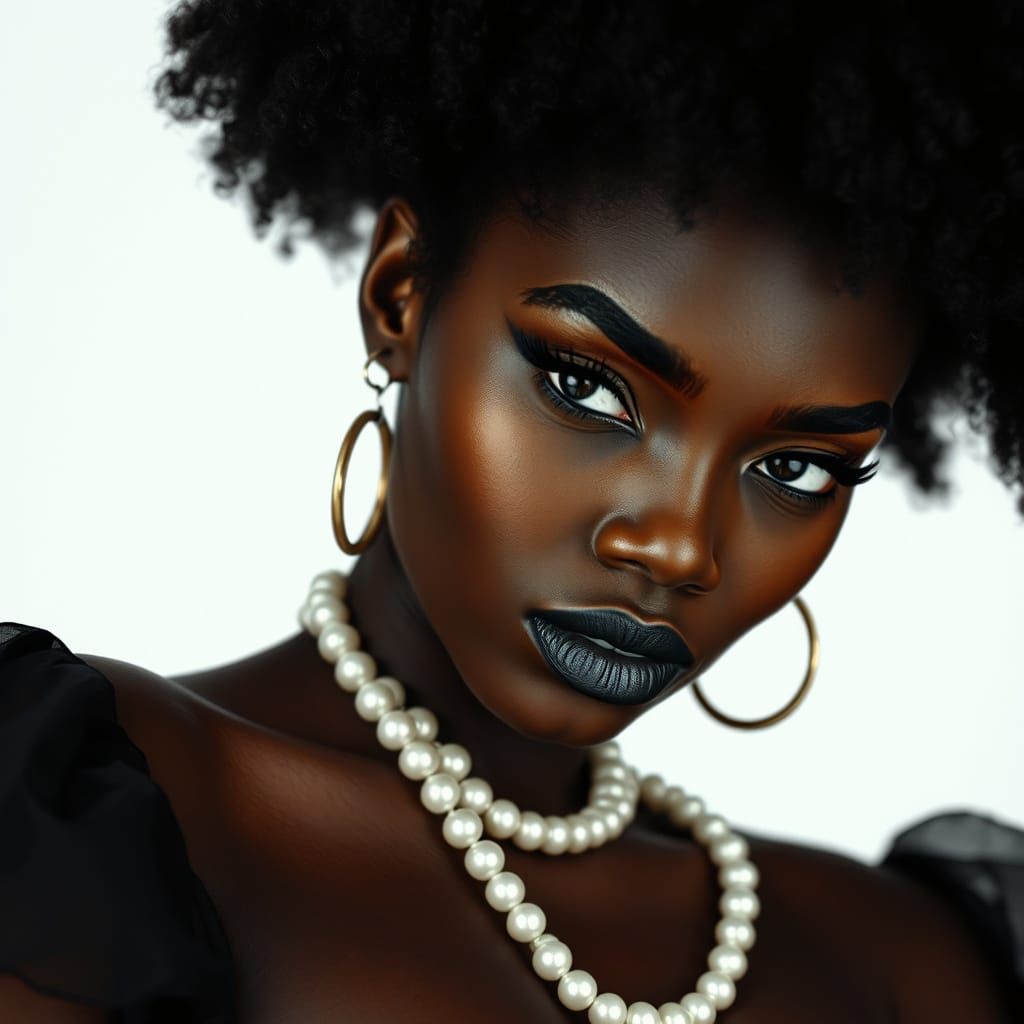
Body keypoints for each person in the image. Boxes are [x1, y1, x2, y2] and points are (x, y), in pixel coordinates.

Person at [2, 1, 1022, 1021]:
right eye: (586, 388)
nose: (674, 545)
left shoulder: (906, 961)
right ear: (400, 296)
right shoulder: (70, 813)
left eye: (796, 469)